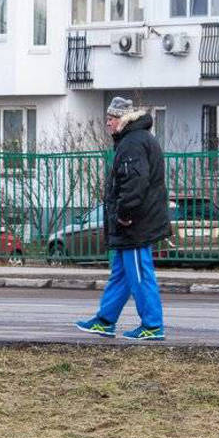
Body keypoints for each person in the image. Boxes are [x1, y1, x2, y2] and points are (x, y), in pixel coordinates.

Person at [75, 97, 171, 340]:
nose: (107, 123)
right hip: (132, 223)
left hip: (135, 223)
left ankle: (152, 325)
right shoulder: (134, 140)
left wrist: (125, 213)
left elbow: (134, 183)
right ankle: (105, 320)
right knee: (122, 273)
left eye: (111, 118)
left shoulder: (133, 143)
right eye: (107, 118)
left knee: (139, 274)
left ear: (124, 119)